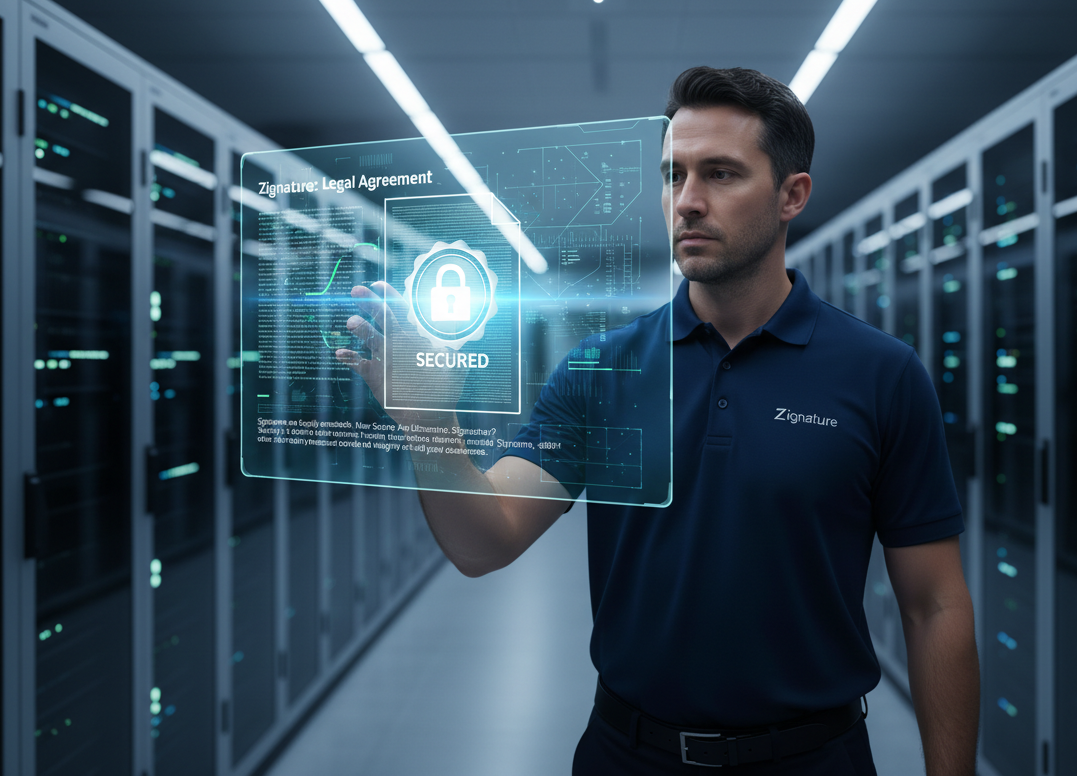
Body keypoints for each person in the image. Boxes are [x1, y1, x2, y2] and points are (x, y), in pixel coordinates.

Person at [336, 66, 979, 775]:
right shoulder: (600, 369)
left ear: (792, 194)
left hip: (814, 757)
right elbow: (485, 542)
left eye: (722, 174)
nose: (688, 201)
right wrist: (429, 425)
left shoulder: (881, 374)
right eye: (673, 175)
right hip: (628, 754)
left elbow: (935, 605)